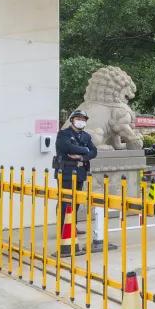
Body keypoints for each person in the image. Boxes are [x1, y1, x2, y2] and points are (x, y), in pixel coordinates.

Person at [54, 109, 97, 254]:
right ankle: (63, 228)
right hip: (65, 172)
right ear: (72, 120)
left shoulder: (86, 136)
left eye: (83, 119)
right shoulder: (63, 134)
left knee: (76, 201)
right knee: (66, 201)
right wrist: (85, 150)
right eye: (78, 118)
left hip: (79, 172)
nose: (81, 121)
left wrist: (82, 156)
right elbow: (66, 147)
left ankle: (73, 226)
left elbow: (94, 151)